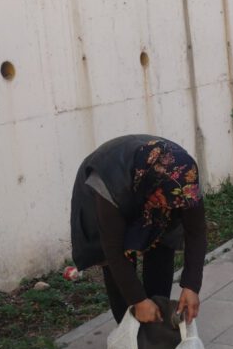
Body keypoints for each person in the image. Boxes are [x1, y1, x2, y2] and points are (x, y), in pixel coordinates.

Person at [70, 135, 206, 324]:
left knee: (163, 243)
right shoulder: (108, 186)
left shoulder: (185, 180)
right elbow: (114, 252)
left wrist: (191, 286)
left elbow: (196, 232)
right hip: (109, 185)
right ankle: (128, 323)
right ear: (153, 190)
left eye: (177, 205)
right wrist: (138, 300)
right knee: (116, 263)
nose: (174, 207)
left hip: (153, 187)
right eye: (168, 203)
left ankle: (156, 319)